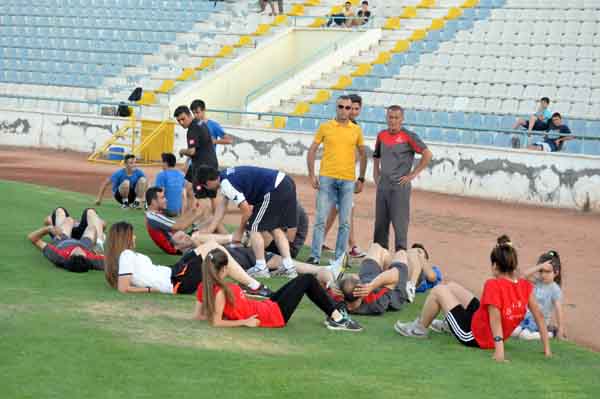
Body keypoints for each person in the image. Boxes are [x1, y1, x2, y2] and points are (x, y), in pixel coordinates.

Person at [394, 236, 552, 363]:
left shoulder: (493, 284)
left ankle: (419, 329)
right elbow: (538, 315)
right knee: (451, 286)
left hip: (475, 336)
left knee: (438, 291)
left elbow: (495, 320)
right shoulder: (525, 285)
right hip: (483, 324)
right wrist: (547, 349)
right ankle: (449, 324)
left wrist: (499, 352)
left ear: (495, 266)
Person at [193, 248, 363, 331]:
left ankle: (334, 312)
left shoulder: (203, 287)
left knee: (302, 281)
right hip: (273, 315)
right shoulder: (221, 291)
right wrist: (244, 321)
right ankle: (337, 318)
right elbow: (216, 322)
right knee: (307, 280)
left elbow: (199, 316)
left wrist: (220, 312)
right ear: (223, 270)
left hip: (267, 306)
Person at [104, 221, 270, 296]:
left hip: (174, 273)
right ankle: (253, 285)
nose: (134, 239)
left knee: (212, 247)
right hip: (175, 280)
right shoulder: (125, 255)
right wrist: (149, 290)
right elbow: (123, 288)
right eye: (132, 236)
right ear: (124, 238)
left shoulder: (124, 256)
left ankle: (249, 284)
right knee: (216, 251)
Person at [193, 165, 299, 278]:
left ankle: (261, 268)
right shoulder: (224, 177)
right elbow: (222, 206)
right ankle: (289, 267)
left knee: (254, 227)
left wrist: (239, 232)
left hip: (274, 188)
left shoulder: (227, 184)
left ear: (209, 182)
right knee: (274, 228)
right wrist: (210, 229)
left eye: (204, 185)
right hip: (284, 183)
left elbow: (247, 211)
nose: (206, 188)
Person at [307, 95, 367, 265]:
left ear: (351, 110)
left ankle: (340, 258)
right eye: (341, 107)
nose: (344, 110)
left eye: (348, 108)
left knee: (345, 222)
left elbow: (363, 154)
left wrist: (361, 178)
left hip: (348, 180)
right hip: (327, 178)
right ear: (336, 107)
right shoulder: (325, 127)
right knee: (320, 219)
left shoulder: (356, 130)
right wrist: (312, 175)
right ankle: (315, 255)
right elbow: (312, 150)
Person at [373, 105, 432, 251]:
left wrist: (412, 175)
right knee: (380, 225)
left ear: (402, 119)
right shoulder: (381, 135)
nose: (393, 121)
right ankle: (379, 258)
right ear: (387, 118)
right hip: (383, 186)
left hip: (399, 187)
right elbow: (376, 155)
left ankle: (400, 260)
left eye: (396, 118)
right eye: (390, 117)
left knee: (400, 225)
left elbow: (427, 154)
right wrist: (376, 174)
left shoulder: (409, 136)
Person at [334, 244, 439, 315]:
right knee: (402, 253)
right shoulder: (377, 303)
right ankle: (410, 286)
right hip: (395, 288)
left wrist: (334, 284)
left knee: (376, 247)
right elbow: (432, 277)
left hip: (372, 280)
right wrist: (420, 255)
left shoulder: (340, 297)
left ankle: (390, 261)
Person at [27, 207, 105, 272]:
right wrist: (97, 245)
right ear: (86, 257)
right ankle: (99, 241)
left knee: (64, 215)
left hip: (63, 239)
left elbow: (32, 238)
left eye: (75, 252)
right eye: (80, 252)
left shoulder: (57, 256)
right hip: (85, 243)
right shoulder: (94, 260)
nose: (77, 248)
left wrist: (48, 229)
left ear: (69, 256)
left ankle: (50, 222)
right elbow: (113, 263)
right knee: (95, 221)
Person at [513, 250, 565, 340]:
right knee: (513, 332)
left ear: (556, 273)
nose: (543, 275)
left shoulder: (555, 289)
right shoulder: (537, 282)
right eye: (541, 271)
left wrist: (561, 329)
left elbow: (558, 309)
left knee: (525, 335)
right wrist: (540, 266)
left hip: (540, 321)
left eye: (547, 272)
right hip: (526, 317)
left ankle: (551, 333)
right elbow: (521, 276)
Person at [174, 105, 218, 211]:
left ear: (189, 115)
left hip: (202, 167)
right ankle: (191, 215)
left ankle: (202, 222)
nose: (181, 122)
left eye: (183, 119)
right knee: (189, 187)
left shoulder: (192, 130)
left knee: (201, 195)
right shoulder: (200, 122)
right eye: (178, 120)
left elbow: (191, 151)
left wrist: (181, 151)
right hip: (206, 162)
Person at [144, 186, 209, 255]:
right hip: (177, 247)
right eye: (162, 198)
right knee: (208, 230)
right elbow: (180, 227)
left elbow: (177, 223)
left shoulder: (153, 214)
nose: (166, 200)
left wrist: (191, 211)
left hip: (179, 240)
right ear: (154, 201)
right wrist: (198, 214)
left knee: (209, 222)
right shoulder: (154, 217)